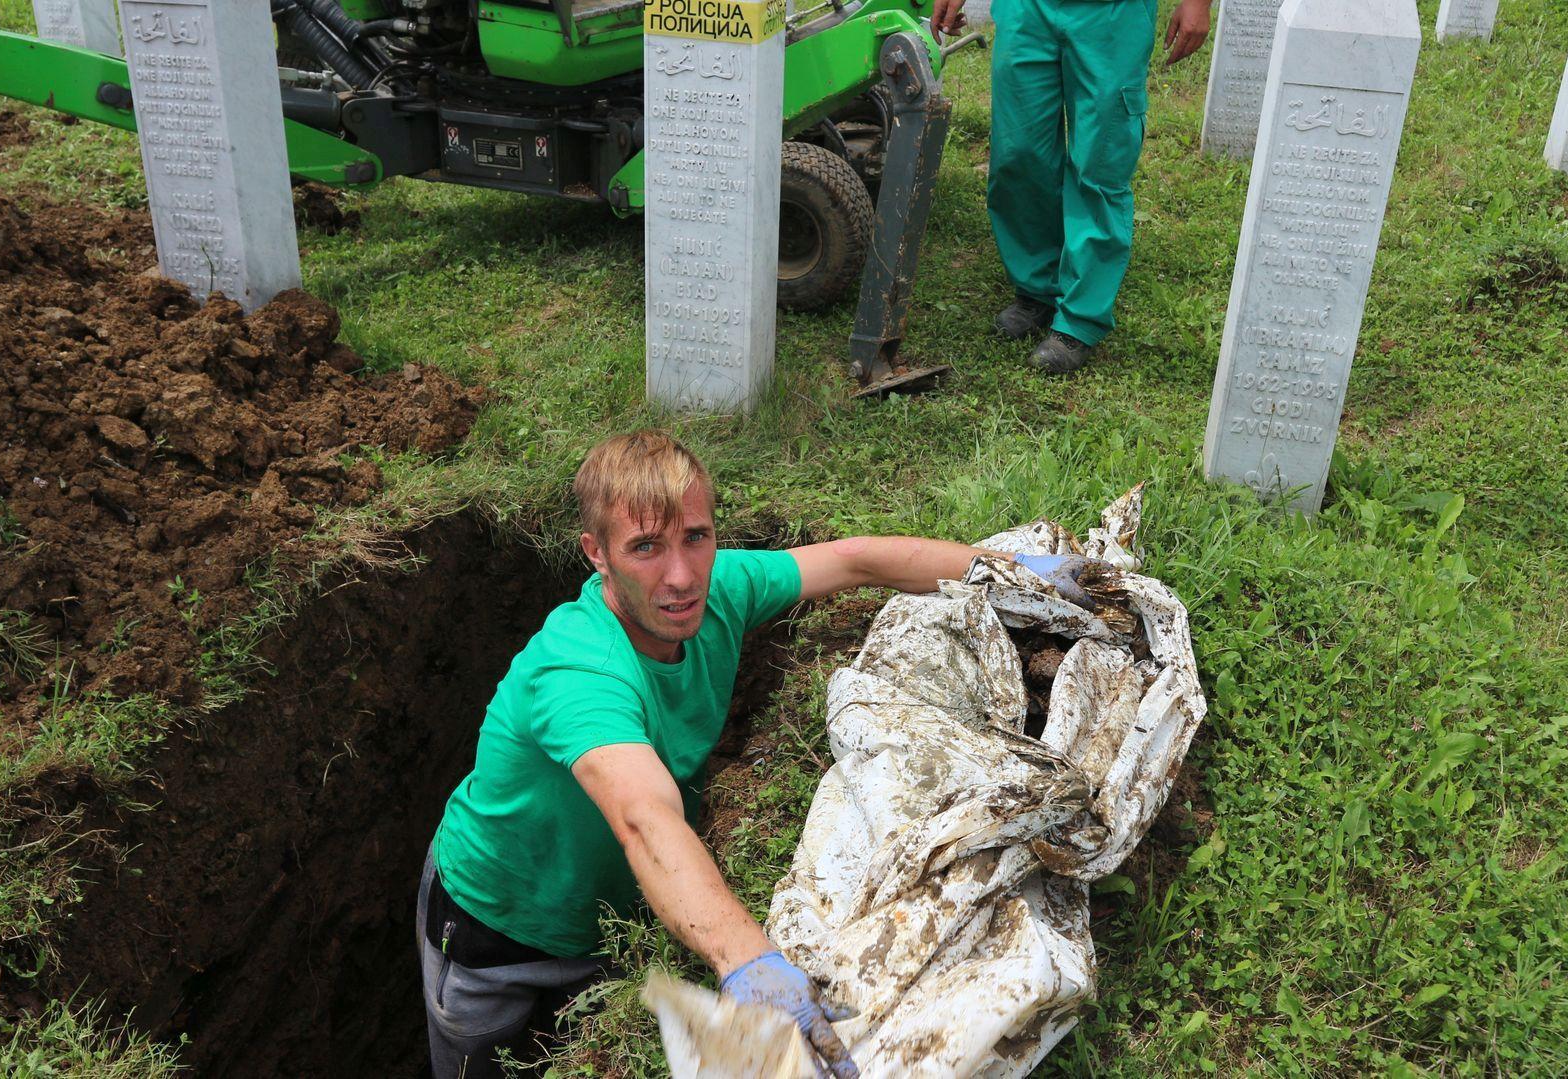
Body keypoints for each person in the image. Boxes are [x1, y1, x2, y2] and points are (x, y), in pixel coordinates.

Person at [416, 430, 1097, 1077]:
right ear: (597, 553)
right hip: (493, 935)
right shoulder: (576, 670)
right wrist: (747, 956)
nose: (680, 576)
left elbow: (855, 559)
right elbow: (642, 818)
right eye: (646, 547)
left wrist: (1016, 571)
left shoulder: (720, 590)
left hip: (607, 910)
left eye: (696, 537)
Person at [929, 0, 1213, 373]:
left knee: (1100, 160)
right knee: (1019, 152)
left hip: (1113, 15)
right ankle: (1037, 286)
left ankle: (1080, 317)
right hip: (1028, 10)